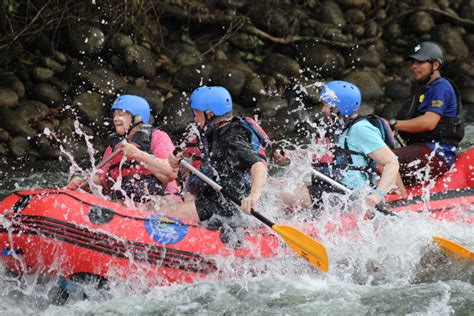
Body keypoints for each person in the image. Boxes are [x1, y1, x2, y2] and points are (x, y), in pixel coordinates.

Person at [277, 81, 403, 210]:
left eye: (326, 105)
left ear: (339, 108)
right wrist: (290, 157)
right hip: (331, 185)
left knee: (279, 195)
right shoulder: (338, 127)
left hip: (348, 194)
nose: (323, 109)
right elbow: (323, 156)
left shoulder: (360, 129)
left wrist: (377, 196)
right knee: (277, 184)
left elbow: (392, 162)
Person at [160, 86, 268, 227]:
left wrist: (253, 196)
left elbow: (258, 165)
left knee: (162, 215)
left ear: (209, 114)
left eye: (196, 113)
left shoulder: (231, 137)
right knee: (165, 208)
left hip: (227, 205)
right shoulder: (213, 133)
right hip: (215, 199)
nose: (194, 118)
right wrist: (178, 162)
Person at [66, 95, 179, 205]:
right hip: (126, 204)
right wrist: (83, 182)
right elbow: (102, 180)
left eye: (121, 115)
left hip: (163, 203)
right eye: (114, 115)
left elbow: (169, 172)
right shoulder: (114, 148)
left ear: (138, 118)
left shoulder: (158, 138)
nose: (115, 119)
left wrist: (137, 154)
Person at [389, 41, 465, 186]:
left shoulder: (441, 87)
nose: (414, 67)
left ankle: (400, 199)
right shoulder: (425, 89)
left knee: (383, 159)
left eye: (420, 62)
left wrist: (393, 124)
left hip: (436, 155)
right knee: (377, 154)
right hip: (423, 151)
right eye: (413, 62)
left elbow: (429, 123)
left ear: (435, 65)